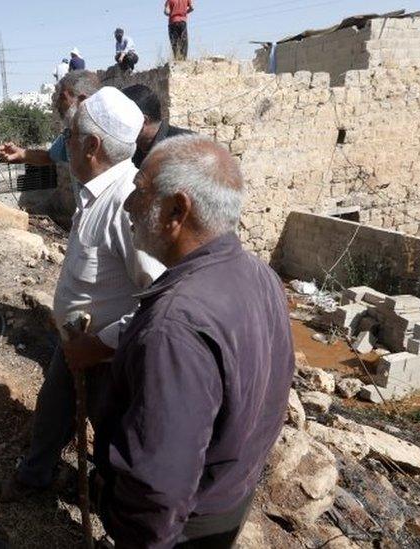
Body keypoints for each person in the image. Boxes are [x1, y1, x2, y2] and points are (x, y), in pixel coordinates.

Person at [92, 134, 295, 547]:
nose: (129, 205)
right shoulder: (260, 275)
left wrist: (131, 532)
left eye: (139, 192)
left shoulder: (174, 325)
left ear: (176, 210)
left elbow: (158, 485)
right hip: (229, 497)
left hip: (182, 525)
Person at [0, 87, 165, 502]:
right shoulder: (95, 191)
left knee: (113, 442)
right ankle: (36, 476)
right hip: (77, 343)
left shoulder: (128, 204)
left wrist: (99, 347)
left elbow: (162, 303)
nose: (64, 143)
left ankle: (116, 511)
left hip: (107, 359)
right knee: (53, 408)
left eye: (70, 135)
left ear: (91, 145)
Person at [121, 83, 192, 168]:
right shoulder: (131, 150)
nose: (118, 126)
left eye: (121, 120)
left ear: (143, 121)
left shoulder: (185, 149)